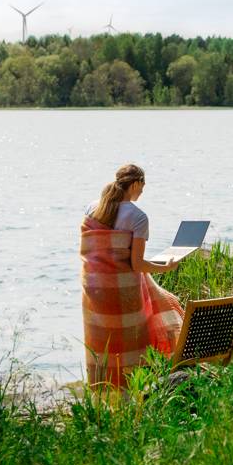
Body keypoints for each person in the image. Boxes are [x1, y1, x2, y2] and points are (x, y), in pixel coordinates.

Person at [80, 164, 182, 391]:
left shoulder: (92, 208)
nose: (142, 193)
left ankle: (101, 392)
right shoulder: (138, 217)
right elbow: (137, 264)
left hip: (94, 290)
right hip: (122, 292)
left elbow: (96, 252)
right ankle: (133, 392)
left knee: (101, 344)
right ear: (136, 184)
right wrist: (166, 266)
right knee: (133, 342)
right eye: (143, 187)